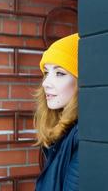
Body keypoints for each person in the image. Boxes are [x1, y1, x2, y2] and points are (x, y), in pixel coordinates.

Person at [34, 33, 79, 191]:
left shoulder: (83, 137)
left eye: (59, 73)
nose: (46, 83)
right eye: (46, 72)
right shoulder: (61, 131)